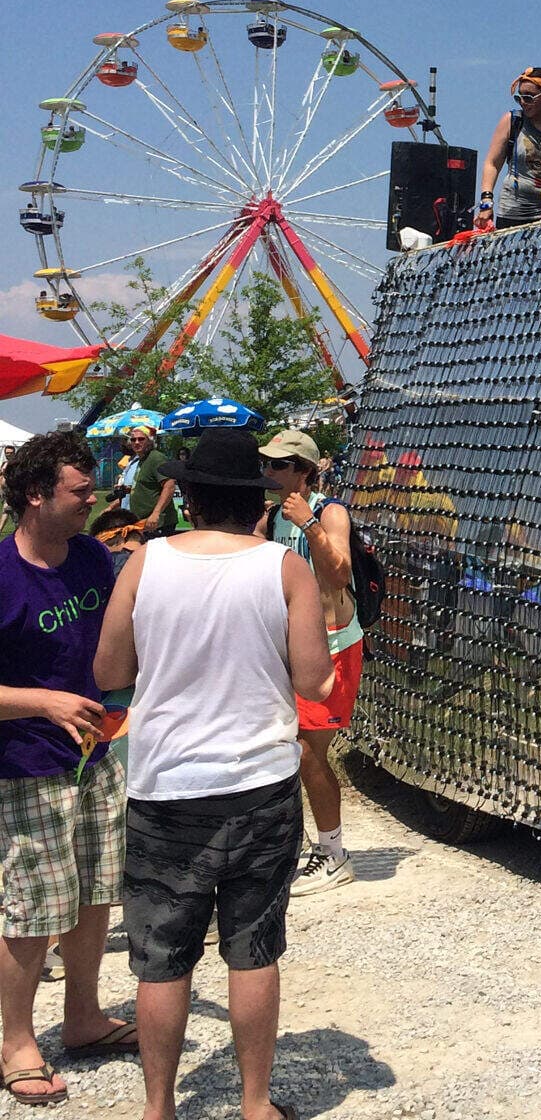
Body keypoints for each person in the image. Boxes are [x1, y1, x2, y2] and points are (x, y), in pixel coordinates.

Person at [94, 427, 332, 1120]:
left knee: (163, 957)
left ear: (190, 498)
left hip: (166, 784)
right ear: (253, 504)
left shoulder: (146, 563)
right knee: (252, 948)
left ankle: (159, 1108)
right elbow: (316, 681)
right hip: (259, 782)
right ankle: (255, 1104)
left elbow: (110, 672)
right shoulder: (282, 570)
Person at [1, 431, 131, 1108]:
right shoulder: (0, 576)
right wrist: (40, 702)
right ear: (35, 495)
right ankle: (17, 1041)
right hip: (25, 768)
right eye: (81, 491)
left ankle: (83, 1017)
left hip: (97, 756)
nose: (94, 500)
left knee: (94, 892)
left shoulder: (89, 556)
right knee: (31, 907)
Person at [256, 429, 361, 898]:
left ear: (303, 471)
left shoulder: (328, 511)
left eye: (278, 465)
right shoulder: (273, 514)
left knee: (306, 749)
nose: (268, 472)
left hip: (333, 643)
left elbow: (339, 574)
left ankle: (334, 854)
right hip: (292, 644)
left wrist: (309, 525)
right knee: (284, 745)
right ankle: (299, 842)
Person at [474, 67, 541, 230]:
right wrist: (486, 201)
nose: (523, 103)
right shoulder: (513, 121)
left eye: (529, 97)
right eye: (519, 98)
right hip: (513, 211)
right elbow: (492, 163)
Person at [123, 429, 178, 538]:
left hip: (158, 523)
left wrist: (156, 513)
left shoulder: (156, 458)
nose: (136, 442)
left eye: (141, 439)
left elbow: (169, 485)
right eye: (133, 439)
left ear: (150, 441)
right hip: (143, 523)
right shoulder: (141, 459)